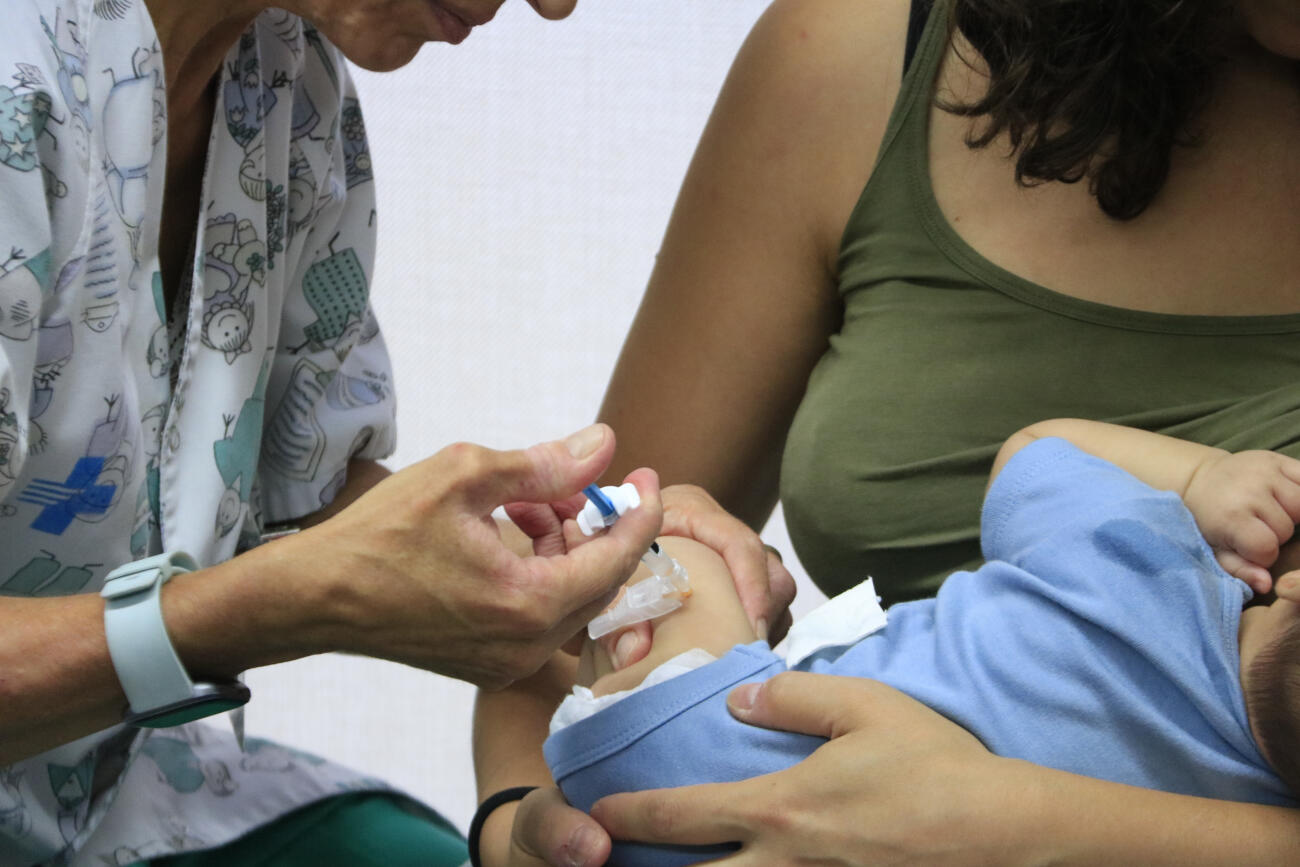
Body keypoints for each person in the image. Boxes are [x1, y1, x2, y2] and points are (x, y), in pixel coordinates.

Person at [474, 0, 1300, 864]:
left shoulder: (1146, 563)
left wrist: (1027, 827)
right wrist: (515, 836)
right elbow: (559, 603)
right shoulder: (853, 60)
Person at [0, 2, 797, 865]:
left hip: (117, 801)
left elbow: (296, 482)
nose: (557, 4)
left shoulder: (286, 87)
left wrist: (571, 570)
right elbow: (311, 571)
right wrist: (270, 609)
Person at [539, 420, 1300, 866]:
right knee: (664, 545)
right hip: (695, 753)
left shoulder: (1142, 553)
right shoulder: (1254, 795)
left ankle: (611, 538)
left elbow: (1037, 448)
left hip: (699, 737)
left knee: (669, 542)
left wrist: (1203, 474)